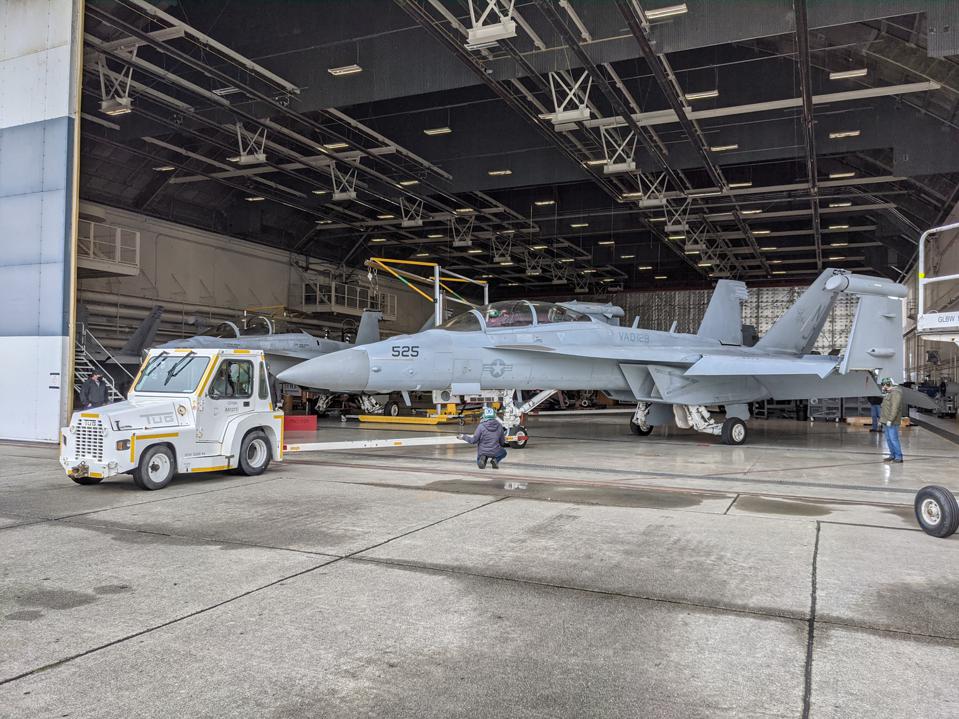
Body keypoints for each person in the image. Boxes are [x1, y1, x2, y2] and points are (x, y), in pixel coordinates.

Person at [879, 377, 904, 463]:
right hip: (886, 421)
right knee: (889, 439)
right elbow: (885, 407)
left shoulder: (896, 393)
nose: (883, 387)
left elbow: (894, 408)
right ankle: (892, 455)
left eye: (884, 385)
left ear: (889, 384)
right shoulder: (889, 393)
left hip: (892, 421)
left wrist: (890, 420)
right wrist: (882, 420)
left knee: (893, 439)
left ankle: (898, 457)